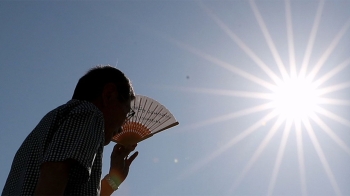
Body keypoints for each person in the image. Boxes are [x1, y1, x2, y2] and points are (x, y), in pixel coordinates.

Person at [2, 65, 138, 195]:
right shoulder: (90, 114)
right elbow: (55, 171)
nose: (121, 128)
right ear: (109, 95)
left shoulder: (45, 128)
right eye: (127, 113)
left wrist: (115, 177)